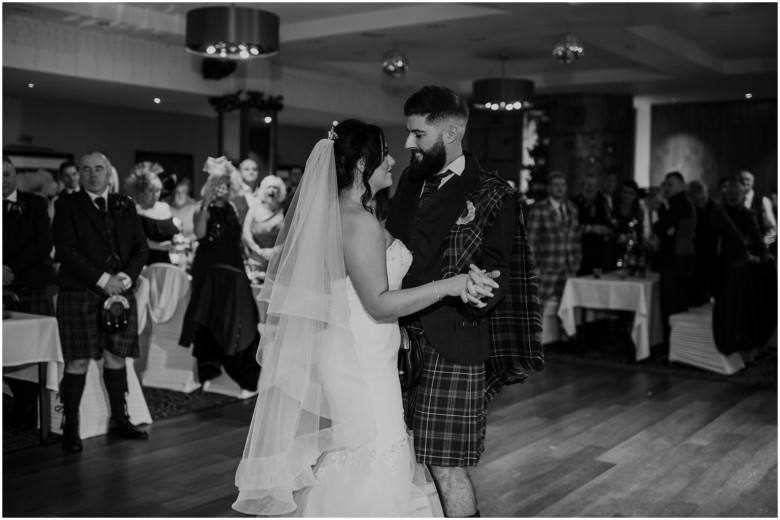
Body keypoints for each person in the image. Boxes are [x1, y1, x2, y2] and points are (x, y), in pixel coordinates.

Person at [233, 119, 498, 517]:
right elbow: (379, 303)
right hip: (361, 360)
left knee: (365, 451)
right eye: (384, 152)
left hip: (366, 353)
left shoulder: (355, 213)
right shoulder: (355, 221)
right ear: (361, 163)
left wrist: (461, 275)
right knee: (376, 452)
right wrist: (451, 286)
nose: (393, 159)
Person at [386, 86, 543, 517]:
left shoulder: (494, 193)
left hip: (453, 342)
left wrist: (478, 290)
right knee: (398, 454)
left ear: (452, 130)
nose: (408, 144)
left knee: (445, 463)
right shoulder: (408, 181)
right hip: (393, 337)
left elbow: (498, 271)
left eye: (418, 134)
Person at [52, 151, 150, 452]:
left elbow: (140, 248)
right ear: (79, 175)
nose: (92, 174)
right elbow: (66, 251)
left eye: (98, 169)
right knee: (77, 360)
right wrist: (102, 280)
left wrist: (124, 278)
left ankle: (121, 419)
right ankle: (71, 428)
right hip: (79, 291)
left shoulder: (125, 203)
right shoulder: (67, 204)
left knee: (116, 358)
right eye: (86, 169)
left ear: (110, 173)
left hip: (120, 291)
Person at [179, 169, 252, 394]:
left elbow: (238, 237)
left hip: (232, 261)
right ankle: (206, 367)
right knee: (207, 311)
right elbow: (200, 234)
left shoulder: (232, 209)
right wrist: (204, 204)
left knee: (235, 309)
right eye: (219, 186)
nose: (224, 190)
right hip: (209, 263)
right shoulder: (204, 209)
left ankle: (236, 364)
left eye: (227, 186)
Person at [3, 156, 58, 429]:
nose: (5, 180)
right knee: (8, 349)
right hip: (4, 286)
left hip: (34, 284)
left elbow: (44, 243)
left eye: (8, 173)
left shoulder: (36, 203)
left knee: (34, 350)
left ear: (15, 172)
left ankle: (29, 408)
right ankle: (18, 404)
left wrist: (8, 267)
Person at [648, 171, 696, 343]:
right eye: (665, 184)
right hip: (674, 257)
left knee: (672, 303)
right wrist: (666, 228)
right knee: (671, 302)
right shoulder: (673, 203)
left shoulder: (681, 203)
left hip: (677, 259)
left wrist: (664, 226)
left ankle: (673, 344)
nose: (667, 188)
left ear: (681, 186)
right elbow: (666, 229)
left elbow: (661, 227)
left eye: (671, 184)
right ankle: (672, 343)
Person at [527, 171, 582, 305]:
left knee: (567, 310)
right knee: (541, 309)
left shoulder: (572, 208)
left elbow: (576, 238)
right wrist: (533, 268)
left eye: (562, 185)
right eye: (556, 185)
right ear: (549, 188)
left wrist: (577, 263)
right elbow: (531, 242)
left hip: (569, 268)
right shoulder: (539, 209)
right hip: (547, 269)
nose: (560, 188)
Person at [125, 162, 181, 265]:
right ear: (141, 191)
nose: (156, 194)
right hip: (144, 262)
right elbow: (134, 239)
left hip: (166, 261)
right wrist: (159, 246)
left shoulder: (165, 208)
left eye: (158, 190)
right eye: (151, 190)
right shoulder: (134, 210)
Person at [242, 174, 286, 271]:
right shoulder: (255, 207)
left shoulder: (284, 210)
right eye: (269, 187)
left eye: (275, 188)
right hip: (257, 258)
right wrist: (259, 250)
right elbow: (246, 232)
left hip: (278, 259)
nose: (272, 190)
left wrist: (275, 251)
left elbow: (289, 235)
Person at [573, 173, 614, 274]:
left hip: (599, 253)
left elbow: (611, 225)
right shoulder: (573, 203)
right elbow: (570, 228)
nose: (589, 188)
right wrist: (591, 228)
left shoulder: (602, 204)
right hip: (580, 252)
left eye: (592, 185)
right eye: (586, 184)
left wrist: (605, 229)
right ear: (581, 186)